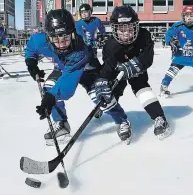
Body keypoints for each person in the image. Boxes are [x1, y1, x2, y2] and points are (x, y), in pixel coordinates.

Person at [24, 9, 131, 145]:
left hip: (87, 69)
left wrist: (51, 97)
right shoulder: (41, 40)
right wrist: (32, 64)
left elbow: (68, 85)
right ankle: (61, 123)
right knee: (49, 87)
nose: (61, 43)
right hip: (62, 68)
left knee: (100, 95)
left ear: (73, 34)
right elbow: (31, 47)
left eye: (65, 38)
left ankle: (121, 120)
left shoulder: (80, 51)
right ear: (48, 36)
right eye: (55, 39)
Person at [99, 5, 172, 141]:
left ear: (136, 26)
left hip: (137, 70)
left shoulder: (144, 36)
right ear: (114, 29)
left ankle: (159, 117)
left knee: (141, 86)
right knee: (113, 90)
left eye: (130, 28)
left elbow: (147, 58)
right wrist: (103, 81)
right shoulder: (110, 45)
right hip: (118, 72)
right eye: (122, 29)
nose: (126, 32)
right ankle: (120, 120)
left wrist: (133, 66)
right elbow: (107, 67)